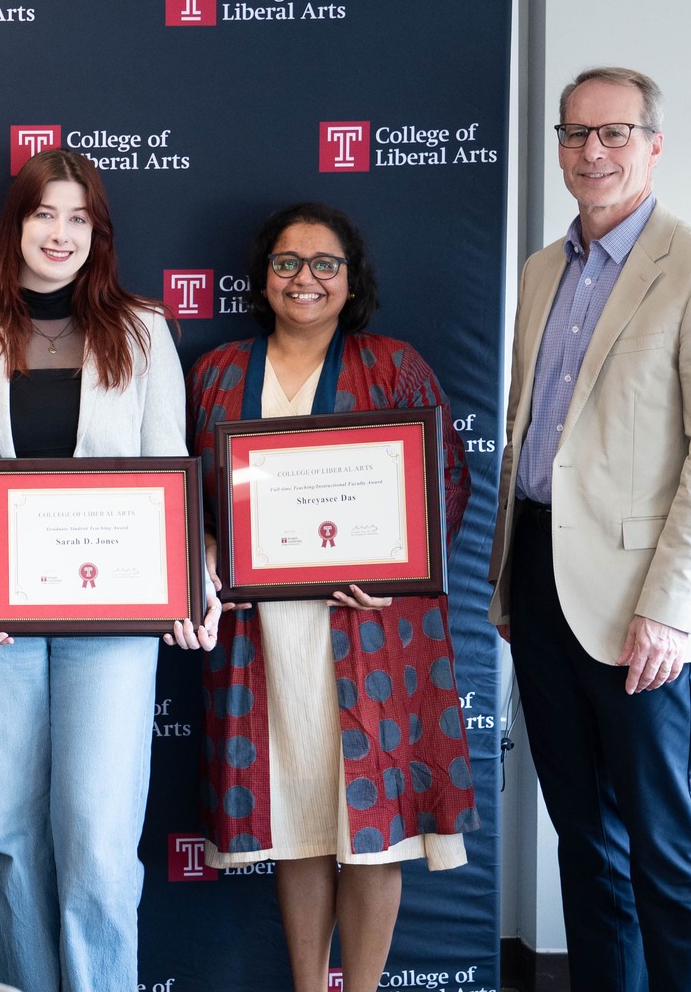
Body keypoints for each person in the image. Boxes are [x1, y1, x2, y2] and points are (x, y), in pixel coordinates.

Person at [0, 148, 218, 992]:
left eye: (79, 217)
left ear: (100, 231)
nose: (61, 233)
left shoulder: (143, 329)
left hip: (115, 622)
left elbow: (170, 473)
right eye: (45, 214)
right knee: (11, 830)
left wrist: (190, 578)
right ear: (15, 223)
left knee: (95, 836)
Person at [489, 68, 691, 992]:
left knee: (666, 846)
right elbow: (533, 435)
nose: (591, 152)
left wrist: (671, 611)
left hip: (651, 610)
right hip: (540, 578)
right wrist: (505, 582)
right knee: (585, 840)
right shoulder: (540, 269)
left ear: (652, 143)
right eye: (574, 134)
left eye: (613, 133)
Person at [185, 201, 478, 992]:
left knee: (372, 831)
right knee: (301, 818)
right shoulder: (215, 374)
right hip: (264, 631)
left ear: (351, 281)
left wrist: (391, 563)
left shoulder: (393, 364)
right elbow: (185, 500)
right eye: (286, 262)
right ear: (263, 276)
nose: (304, 278)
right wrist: (210, 550)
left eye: (324, 264)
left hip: (369, 626)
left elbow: (446, 478)